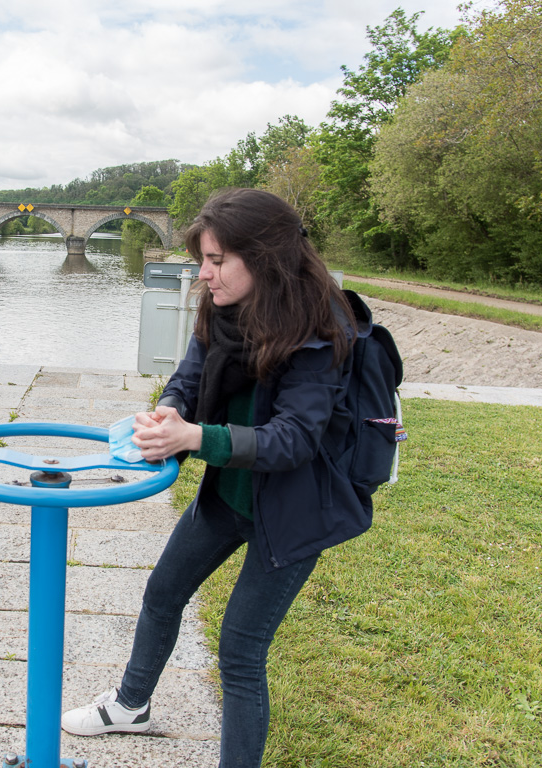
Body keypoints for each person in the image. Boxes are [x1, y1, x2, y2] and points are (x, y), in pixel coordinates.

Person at [61, 188, 371, 766]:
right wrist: (170, 411)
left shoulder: (322, 327)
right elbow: (190, 372)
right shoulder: (224, 307)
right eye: (203, 259)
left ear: (266, 258)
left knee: (240, 654)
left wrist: (197, 438)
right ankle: (131, 706)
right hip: (230, 492)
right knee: (163, 592)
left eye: (217, 260)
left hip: (294, 510)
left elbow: (295, 440)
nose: (203, 274)